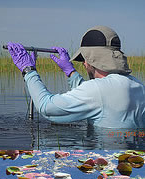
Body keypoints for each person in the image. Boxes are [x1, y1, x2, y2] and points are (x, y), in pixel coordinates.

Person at [7, 26, 145, 129]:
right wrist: (71, 72)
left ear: (93, 59)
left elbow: (46, 107)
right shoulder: (138, 85)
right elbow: (97, 99)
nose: (84, 64)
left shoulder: (98, 90)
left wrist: (29, 71)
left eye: (84, 59)